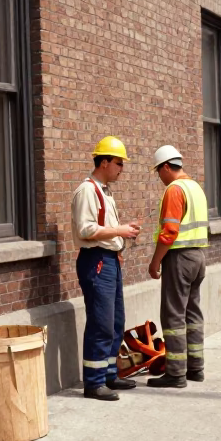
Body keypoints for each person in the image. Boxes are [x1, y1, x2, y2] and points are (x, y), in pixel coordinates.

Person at [72, 136, 142, 400]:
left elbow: (103, 229)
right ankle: (93, 382)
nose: (121, 168)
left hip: (109, 260)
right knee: (100, 323)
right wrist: (120, 230)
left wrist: (121, 237)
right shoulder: (87, 190)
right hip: (96, 260)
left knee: (115, 321)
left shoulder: (105, 191)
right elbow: (86, 229)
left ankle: (109, 374)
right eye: (118, 163)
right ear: (103, 162)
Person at [146, 145, 208, 388]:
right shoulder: (195, 188)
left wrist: (155, 261)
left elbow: (169, 232)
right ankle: (196, 367)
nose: (159, 177)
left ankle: (176, 373)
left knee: (173, 315)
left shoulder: (174, 190)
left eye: (158, 172)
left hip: (179, 257)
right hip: (198, 257)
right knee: (192, 313)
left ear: (165, 167)